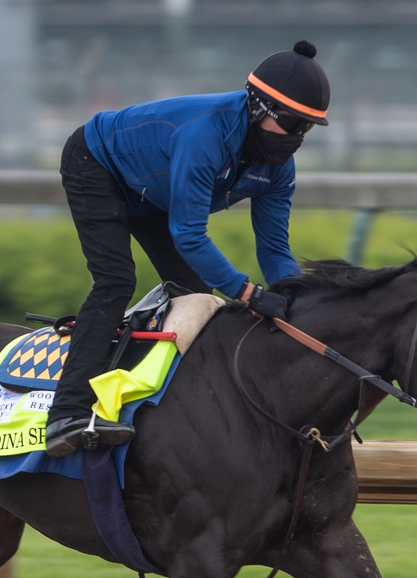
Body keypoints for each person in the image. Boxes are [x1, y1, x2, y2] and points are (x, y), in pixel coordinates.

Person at [44, 40, 331, 457]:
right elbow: (189, 235)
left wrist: (296, 300)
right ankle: (66, 412)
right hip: (97, 162)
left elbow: (273, 247)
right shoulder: (204, 137)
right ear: (259, 108)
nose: (296, 138)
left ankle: (173, 413)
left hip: (150, 188)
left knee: (197, 296)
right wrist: (247, 292)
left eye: (306, 128)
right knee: (115, 280)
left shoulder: (278, 168)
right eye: (291, 123)